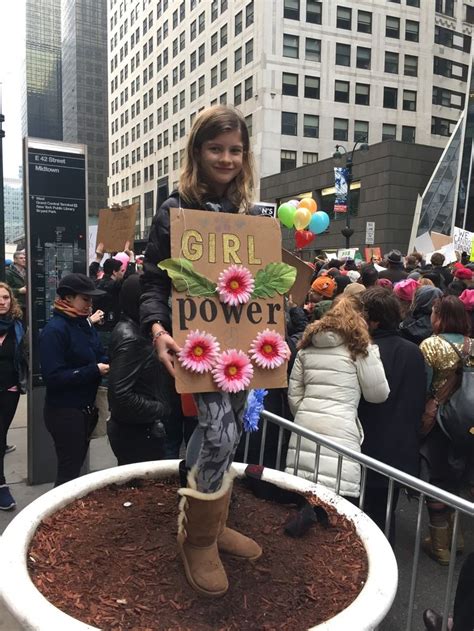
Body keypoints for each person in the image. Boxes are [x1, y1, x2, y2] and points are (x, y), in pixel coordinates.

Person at [140, 105, 262, 598]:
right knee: (217, 431)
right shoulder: (174, 210)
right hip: (195, 347)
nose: (226, 158)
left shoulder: (249, 215)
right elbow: (152, 281)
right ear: (197, 151)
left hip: (243, 347)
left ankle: (213, 518)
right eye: (216, 148)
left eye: (235, 150)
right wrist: (156, 329)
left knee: (230, 434)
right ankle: (199, 540)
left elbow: (264, 292)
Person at [285, 296, 390, 498]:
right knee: (336, 506)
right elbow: (377, 394)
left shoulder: (307, 346)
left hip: (305, 426)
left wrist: (308, 413)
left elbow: (295, 394)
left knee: (302, 494)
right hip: (342, 429)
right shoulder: (360, 348)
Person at [358, 287, 425, 543]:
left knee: (360, 516)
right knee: (386, 515)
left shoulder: (364, 351)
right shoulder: (413, 351)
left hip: (366, 446)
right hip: (401, 448)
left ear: (373, 320)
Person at [39, 274, 109, 487]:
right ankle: (59, 517)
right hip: (64, 411)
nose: (90, 304)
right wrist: (93, 370)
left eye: (91, 299)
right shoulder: (54, 330)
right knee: (68, 472)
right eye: (85, 299)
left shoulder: (83, 324)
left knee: (76, 464)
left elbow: (98, 352)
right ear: (68, 298)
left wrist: (105, 363)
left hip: (85, 409)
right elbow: (53, 378)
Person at [419, 295, 473, 565]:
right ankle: (458, 538)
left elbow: (425, 386)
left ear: (439, 316)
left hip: (440, 422)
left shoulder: (430, 346)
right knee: (458, 475)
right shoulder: (472, 345)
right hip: (468, 422)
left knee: (437, 477)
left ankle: (440, 545)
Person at [107, 275, 170, 465]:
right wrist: (161, 408)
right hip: (138, 433)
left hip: (138, 429)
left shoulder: (136, 329)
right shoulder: (132, 338)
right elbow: (120, 396)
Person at [0, 283, 27, 510]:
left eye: (6, 297)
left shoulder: (17, 326)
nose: (2, 301)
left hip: (9, 390)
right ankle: (1, 485)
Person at [5, 251, 27, 315]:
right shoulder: (8, 273)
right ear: (15, 260)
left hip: (28, 305)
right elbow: (5, 290)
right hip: (17, 306)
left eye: (25, 258)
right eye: (21, 258)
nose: (24, 260)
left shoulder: (28, 271)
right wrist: (19, 291)